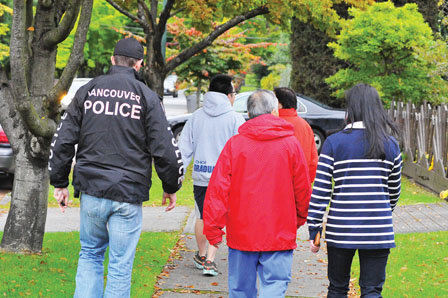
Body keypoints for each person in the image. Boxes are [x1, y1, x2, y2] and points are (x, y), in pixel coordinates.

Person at [48, 37, 183, 298]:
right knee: (120, 266)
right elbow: (165, 147)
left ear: (112, 59)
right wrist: (171, 185)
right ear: (139, 64)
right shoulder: (147, 97)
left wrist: (60, 182)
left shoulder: (88, 91)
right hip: (128, 193)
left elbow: (63, 139)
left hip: (92, 190)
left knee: (90, 255)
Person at [203, 90, 312, 297]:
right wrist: (299, 218)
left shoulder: (235, 145)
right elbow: (302, 188)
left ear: (249, 113)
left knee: (240, 289)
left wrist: (213, 228)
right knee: (275, 285)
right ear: (274, 111)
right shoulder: (290, 145)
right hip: (279, 229)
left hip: (242, 231)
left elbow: (217, 191)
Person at [307, 83, 402, 298]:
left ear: (352, 108)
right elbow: (394, 191)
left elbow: (320, 189)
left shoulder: (334, 143)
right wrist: (382, 211)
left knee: (337, 288)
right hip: (378, 229)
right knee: (372, 291)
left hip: (341, 228)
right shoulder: (390, 144)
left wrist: (314, 227)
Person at [179, 74, 245, 276]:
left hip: (201, 175)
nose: (234, 97)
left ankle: (201, 254)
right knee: (221, 217)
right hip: (226, 177)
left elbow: (184, 148)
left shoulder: (197, 116)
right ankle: (210, 259)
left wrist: (177, 174)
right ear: (227, 95)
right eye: (234, 93)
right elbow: (242, 149)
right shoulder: (235, 119)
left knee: (201, 216)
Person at [274, 87, 318, 181]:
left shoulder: (273, 123)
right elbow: (313, 160)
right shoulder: (305, 125)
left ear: (279, 104)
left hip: (277, 184)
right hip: (301, 182)